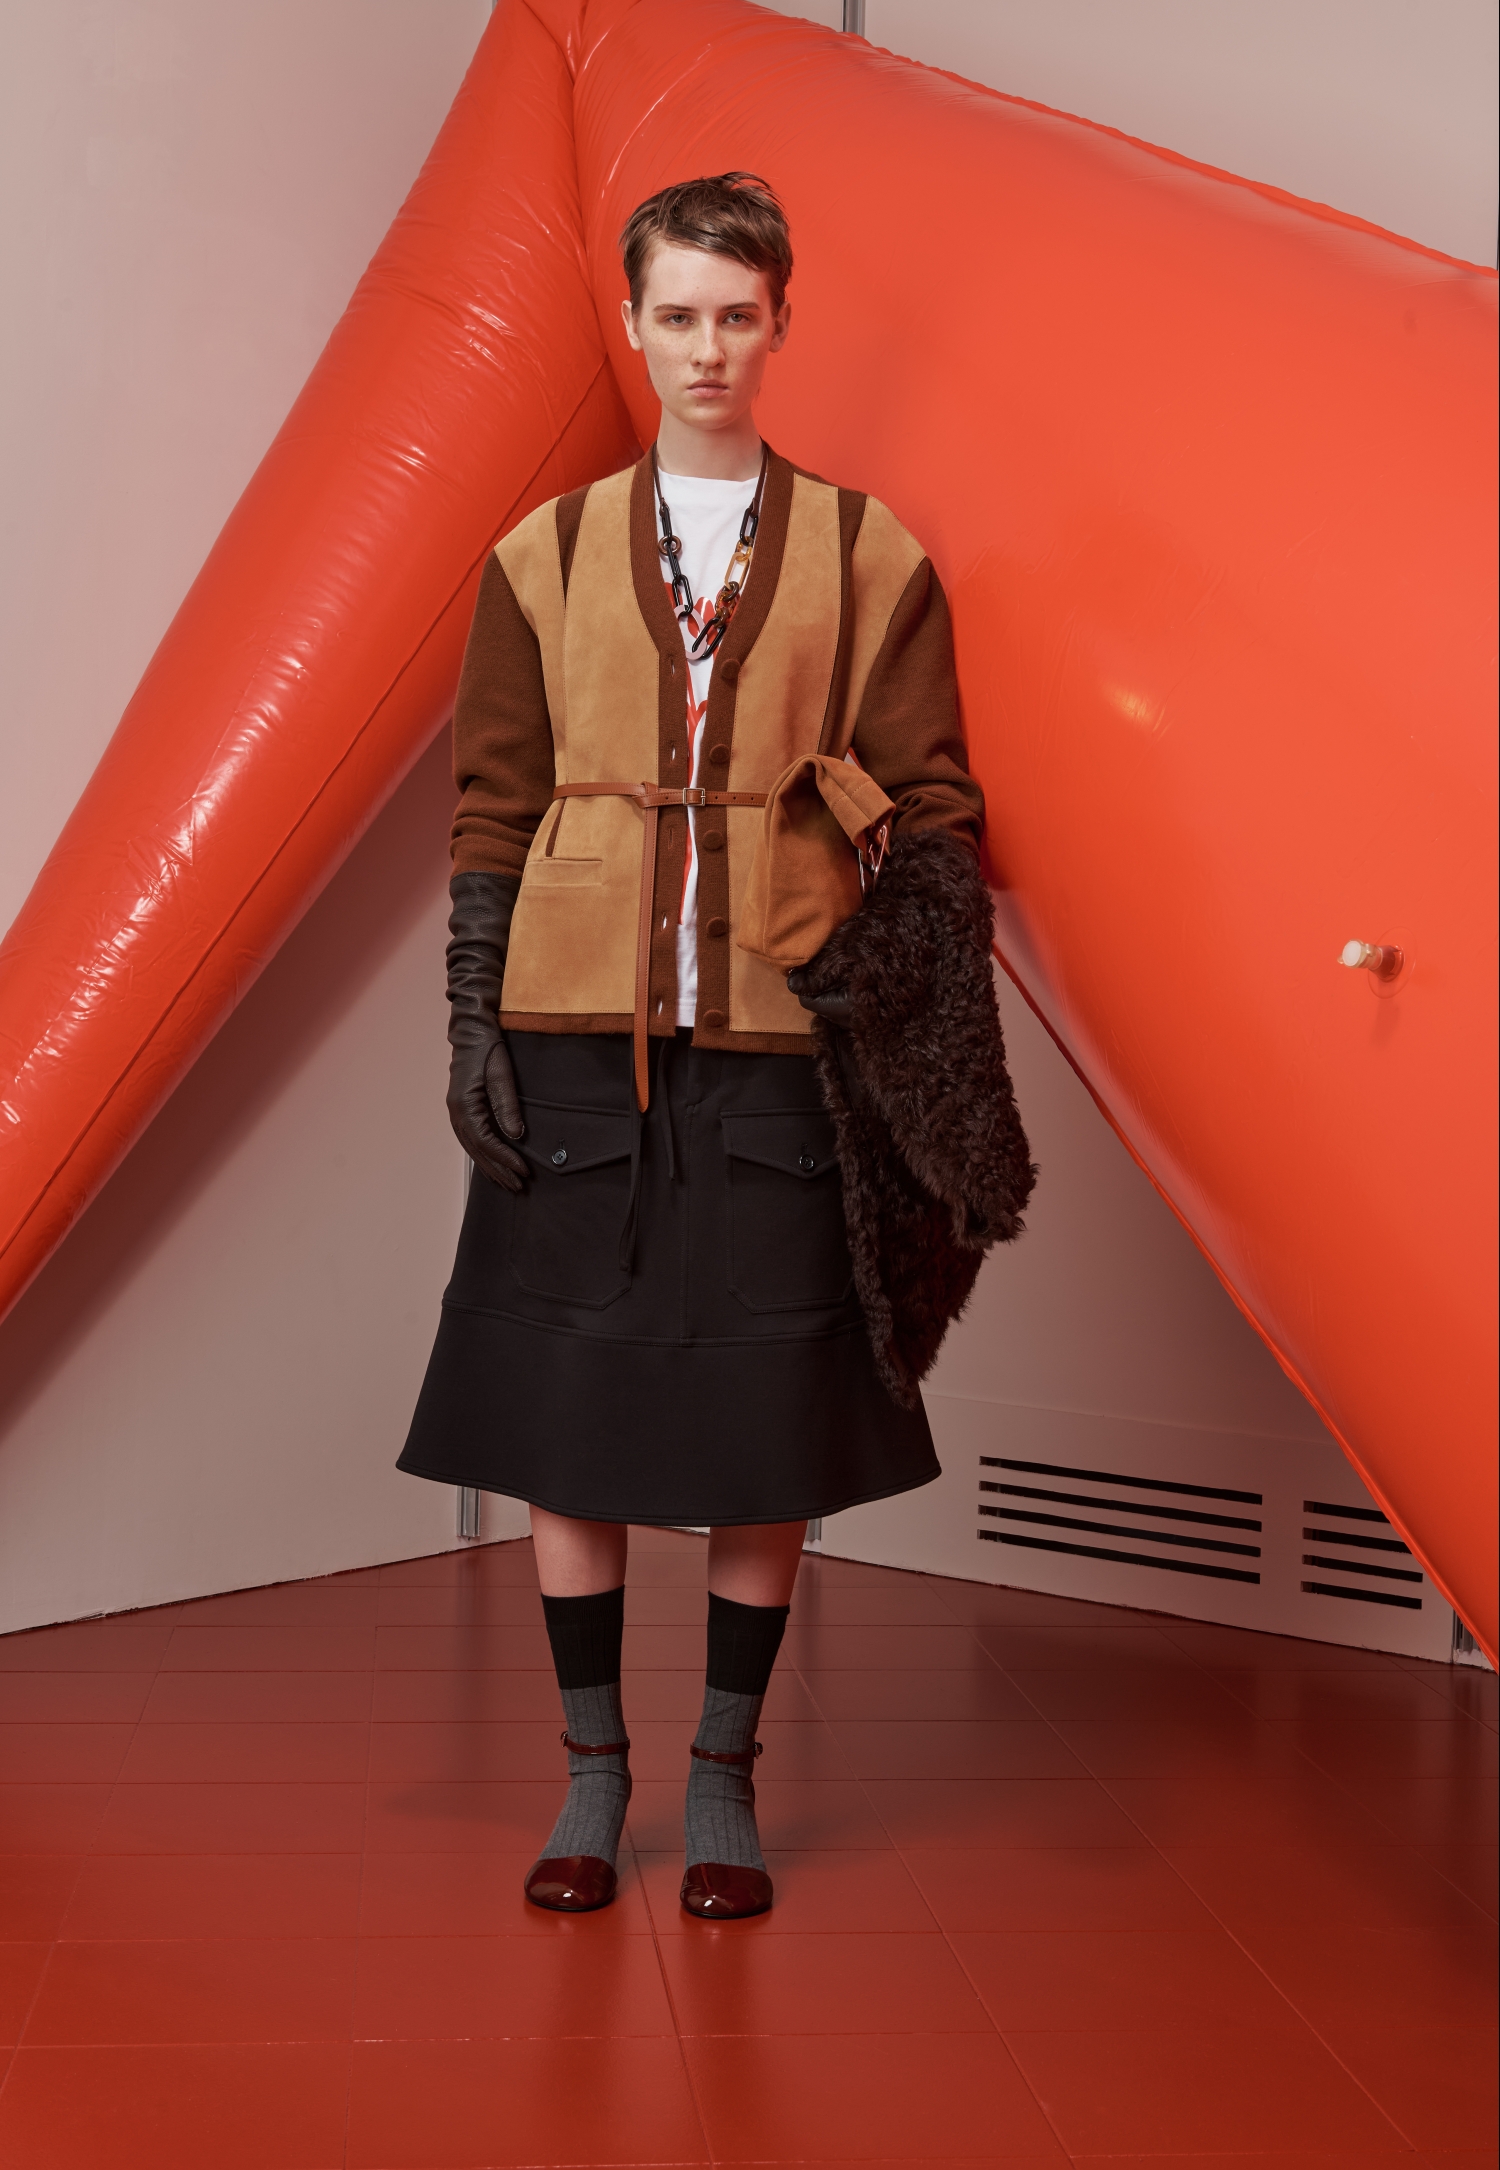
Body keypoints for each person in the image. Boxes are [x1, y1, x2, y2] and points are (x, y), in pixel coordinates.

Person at [397, 173, 1033, 1920]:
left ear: (779, 322)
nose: (704, 348)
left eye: (735, 316)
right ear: (632, 323)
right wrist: (470, 1012)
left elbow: (937, 804)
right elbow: (492, 802)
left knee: (772, 1407)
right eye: (675, 315)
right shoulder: (539, 556)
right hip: (572, 1034)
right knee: (568, 1403)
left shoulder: (870, 553)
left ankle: (726, 1772)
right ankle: (593, 1771)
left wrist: (889, 998)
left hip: (780, 1036)